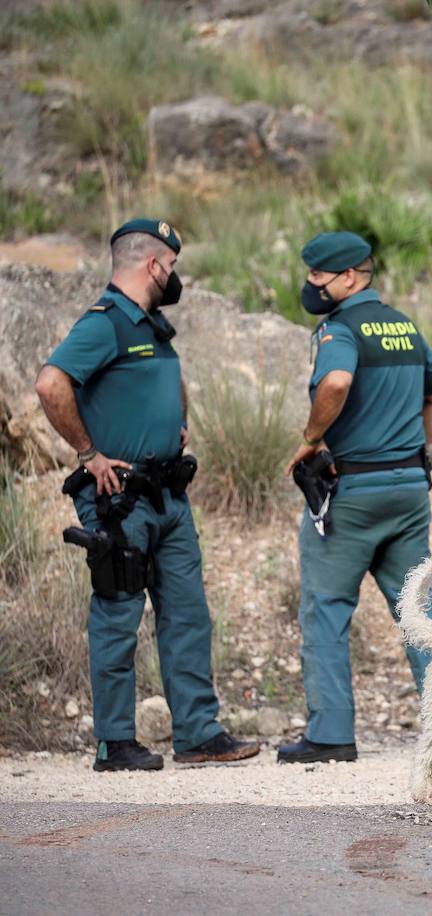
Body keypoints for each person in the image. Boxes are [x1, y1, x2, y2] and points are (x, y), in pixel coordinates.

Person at [35, 218, 260, 772]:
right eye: (173, 266)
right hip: (119, 499)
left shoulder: (153, 326)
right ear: (154, 265)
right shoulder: (105, 323)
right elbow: (50, 383)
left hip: (168, 496)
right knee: (117, 616)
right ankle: (116, 743)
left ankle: (199, 735)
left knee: (187, 616)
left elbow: (164, 384)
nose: (175, 276)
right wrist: (89, 454)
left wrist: (177, 421)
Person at [278, 230, 432, 764]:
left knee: (326, 607)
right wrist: (411, 448)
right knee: (420, 606)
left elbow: (334, 385)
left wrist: (311, 440)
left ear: (350, 276)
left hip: (352, 492)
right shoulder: (404, 326)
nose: (310, 284)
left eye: (318, 276)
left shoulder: (340, 329)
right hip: (408, 488)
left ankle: (331, 733)